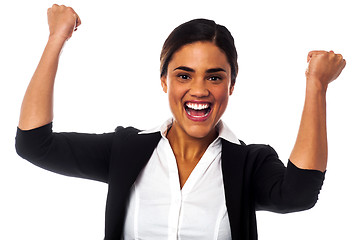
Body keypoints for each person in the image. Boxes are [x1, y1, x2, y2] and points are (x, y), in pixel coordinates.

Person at [15, 4, 346, 240]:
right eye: (184, 75)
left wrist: (316, 86)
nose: (199, 90)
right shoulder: (126, 151)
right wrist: (57, 38)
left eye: (214, 77)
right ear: (164, 82)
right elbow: (34, 144)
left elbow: (299, 194)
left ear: (231, 85)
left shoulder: (248, 163)